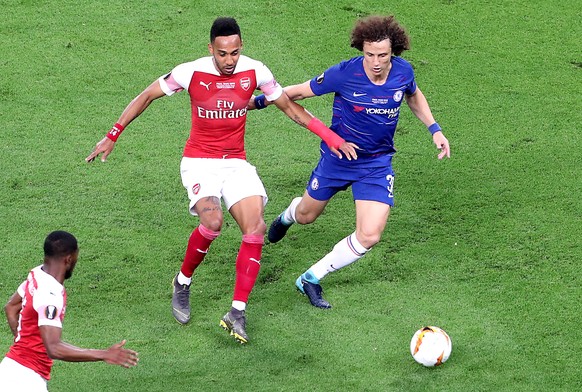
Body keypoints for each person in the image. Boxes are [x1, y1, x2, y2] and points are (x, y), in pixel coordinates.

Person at [85, 17, 357, 343]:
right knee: (212, 222)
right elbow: (146, 96)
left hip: (236, 165)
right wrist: (113, 134)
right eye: (223, 53)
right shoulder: (191, 72)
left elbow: (291, 109)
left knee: (254, 228)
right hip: (199, 163)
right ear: (211, 48)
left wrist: (331, 138)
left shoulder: (256, 71)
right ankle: (182, 282)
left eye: (235, 53)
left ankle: (237, 313)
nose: (229, 61)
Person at [252, 15, 451, 308]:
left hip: (376, 164)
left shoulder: (403, 72)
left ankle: (310, 277)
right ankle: (289, 215)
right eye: (369, 54)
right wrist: (258, 102)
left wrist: (434, 129)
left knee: (369, 235)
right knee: (307, 216)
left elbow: (413, 95)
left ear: (393, 51)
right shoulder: (344, 73)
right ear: (362, 50)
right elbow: (298, 92)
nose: (375, 61)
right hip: (338, 159)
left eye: (382, 55)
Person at [0, 231, 139, 392]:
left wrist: (24, 343)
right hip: (26, 381)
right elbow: (53, 348)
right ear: (69, 259)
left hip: (9, 370)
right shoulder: (50, 294)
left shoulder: (37, 274)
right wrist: (104, 354)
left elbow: (11, 307)